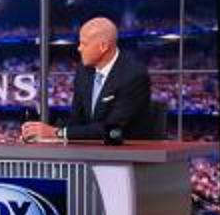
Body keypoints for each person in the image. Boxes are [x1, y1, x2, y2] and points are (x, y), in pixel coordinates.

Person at [24, 15, 159, 143]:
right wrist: (41, 131)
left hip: (129, 152)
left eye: (84, 43)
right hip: (91, 151)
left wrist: (58, 133)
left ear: (103, 47)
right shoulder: (83, 72)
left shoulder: (134, 75)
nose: (79, 48)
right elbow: (76, 120)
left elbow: (113, 130)